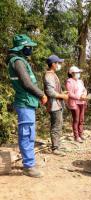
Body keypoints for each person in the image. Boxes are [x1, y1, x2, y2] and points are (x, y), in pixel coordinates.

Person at [7, 34, 47, 178]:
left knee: (29, 133)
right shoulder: (17, 61)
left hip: (27, 102)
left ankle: (29, 163)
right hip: (24, 102)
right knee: (27, 134)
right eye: (28, 47)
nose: (30, 49)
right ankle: (28, 166)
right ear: (22, 47)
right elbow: (27, 83)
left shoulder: (19, 61)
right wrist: (41, 94)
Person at [43, 55, 69, 155]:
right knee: (56, 126)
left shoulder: (52, 74)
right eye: (58, 63)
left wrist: (62, 92)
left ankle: (57, 145)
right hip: (53, 105)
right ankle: (55, 148)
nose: (59, 65)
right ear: (53, 64)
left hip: (57, 104)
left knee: (59, 125)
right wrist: (62, 96)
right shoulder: (49, 75)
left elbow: (54, 90)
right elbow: (50, 92)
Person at [66, 66, 87, 143]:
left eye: (79, 72)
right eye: (77, 72)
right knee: (76, 120)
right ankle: (76, 136)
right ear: (72, 73)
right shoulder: (69, 81)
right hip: (75, 103)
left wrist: (84, 94)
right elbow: (70, 93)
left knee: (81, 119)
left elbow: (84, 89)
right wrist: (79, 97)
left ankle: (81, 134)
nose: (78, 74)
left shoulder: (80, 81)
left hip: (82, 102)